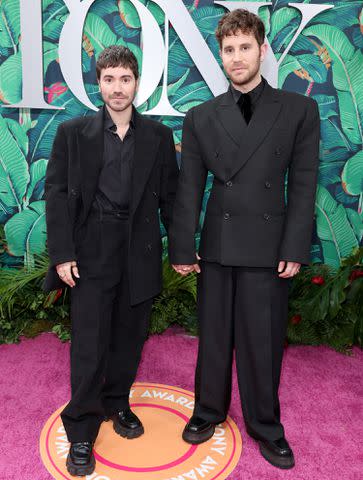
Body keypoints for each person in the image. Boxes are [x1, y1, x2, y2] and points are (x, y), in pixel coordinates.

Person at [169, 9, 320, 470]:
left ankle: (266, 426)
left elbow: (305, 182)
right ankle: (208, 412)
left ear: (262, 50)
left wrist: (295, 246)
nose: (236, 58)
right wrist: (181, 243)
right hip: (218, 242)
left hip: (269, 245)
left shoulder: (299, 109)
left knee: (263, 340)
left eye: (244, 48)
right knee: (214, 337)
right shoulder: (200, 116)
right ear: (221, 56)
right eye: (228, 50)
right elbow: (191, 186)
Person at [44, 45, 178, 477]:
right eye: (109, 79)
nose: (117, 88)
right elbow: (58, 197)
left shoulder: (158, 136)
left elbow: (171, 199)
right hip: (91, 249)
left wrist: (180, 250)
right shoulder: (72, 133)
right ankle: (81, 429)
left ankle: (117, 404)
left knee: (128, 336)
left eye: (125, 79)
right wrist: (63, 255)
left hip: (138, 247)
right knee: (88, 343)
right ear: (97, 83)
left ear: (137, 82)